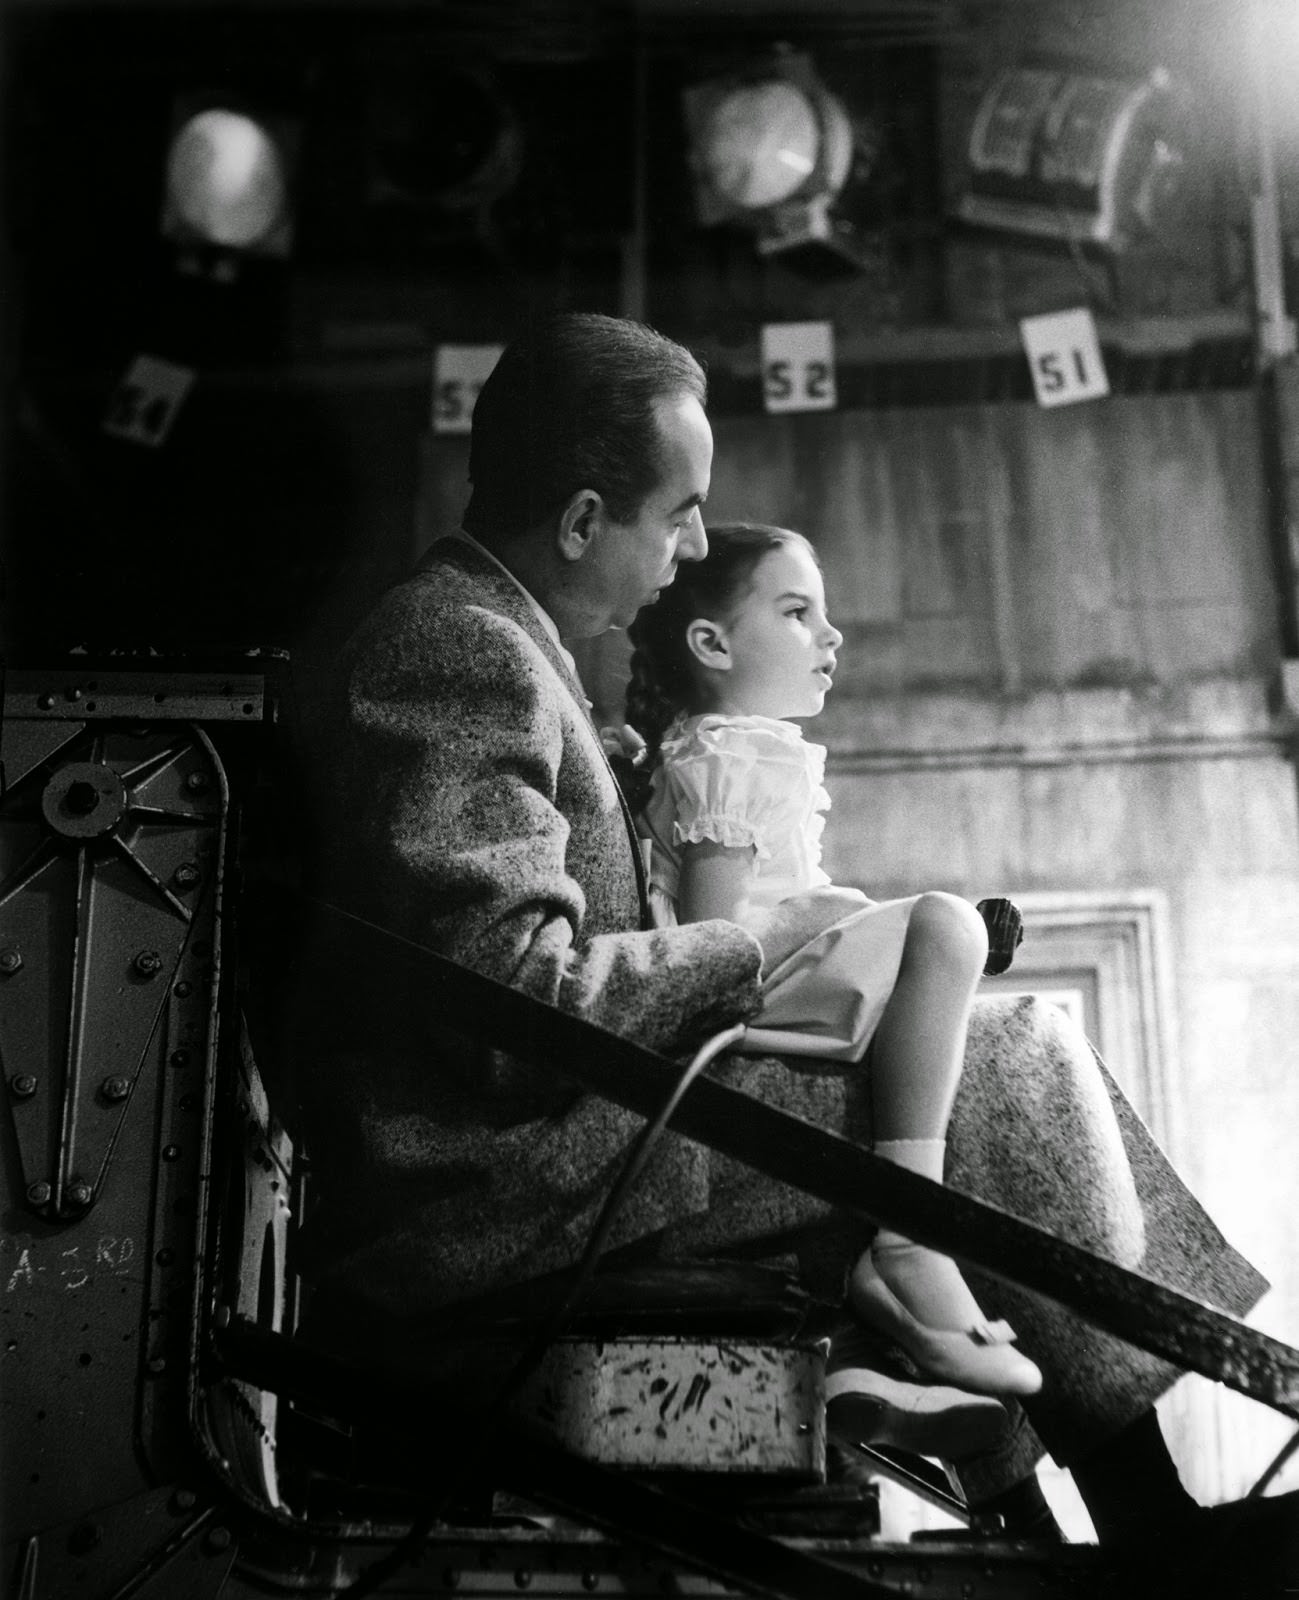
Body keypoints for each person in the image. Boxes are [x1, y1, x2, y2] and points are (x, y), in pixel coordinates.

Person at [295, 312, 1296, 1578]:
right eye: (682, 513)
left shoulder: (506, 646)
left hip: (565, 1144)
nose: (701, 543)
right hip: (502, 1199)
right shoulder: (460, 649)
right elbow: (508, 996)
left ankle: (1024, 1480)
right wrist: (753, 945)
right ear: (584, 519)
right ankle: (1143, 1516)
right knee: (1008, 1064)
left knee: (966, 1062)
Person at [620, 519, 1040, 1406]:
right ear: (712, 642)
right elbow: (714, 935)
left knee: (937, 948)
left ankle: (859, 1358)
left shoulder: (722, 746)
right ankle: (909, 1237)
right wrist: (839, 919)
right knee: (948, 929)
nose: (830, 635)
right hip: (739, 992)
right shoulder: (735, 749)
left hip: (758, 979)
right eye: (797, 612)